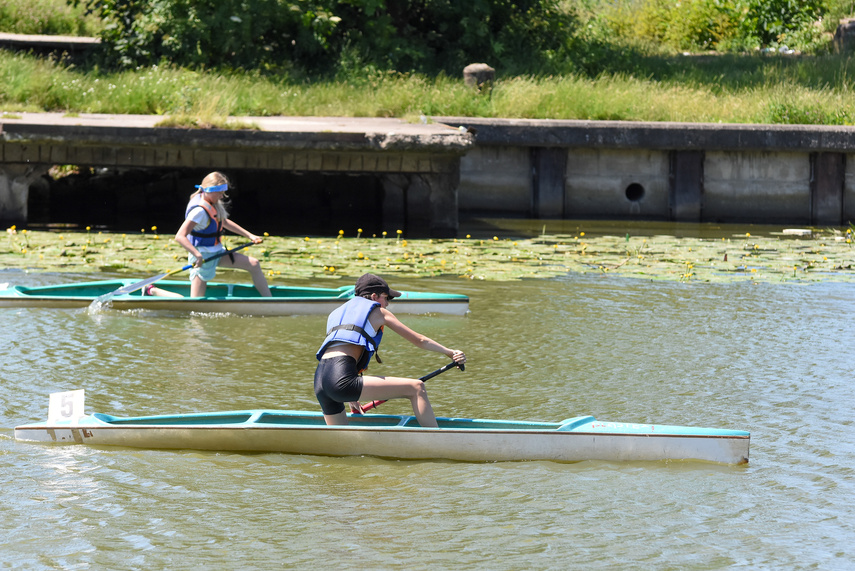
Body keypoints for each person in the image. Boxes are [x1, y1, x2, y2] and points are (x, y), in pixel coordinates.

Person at [314, 273, 466, 427]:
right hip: (341, 379)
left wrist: (351, 395)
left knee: (341, 441)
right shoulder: (379, 312)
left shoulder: (336, 313)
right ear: (374, 296)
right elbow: (420, 340)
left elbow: (342, 350)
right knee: (416, 387)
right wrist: (449, 352)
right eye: (386, 298)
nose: (387, 304)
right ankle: (436, 442)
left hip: (320, 380)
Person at [174, 171, 271, 298]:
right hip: (203, 257)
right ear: (209, 190)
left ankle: (269, 301)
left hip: (217, 253)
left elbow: (223, 222)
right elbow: (179, 236)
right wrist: (197, 255)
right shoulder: (199, 211)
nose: (221, 196)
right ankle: (151, 291)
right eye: (219, 193)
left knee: (254, 264)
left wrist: (250, 235)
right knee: (195, 302)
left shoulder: (212, 204)